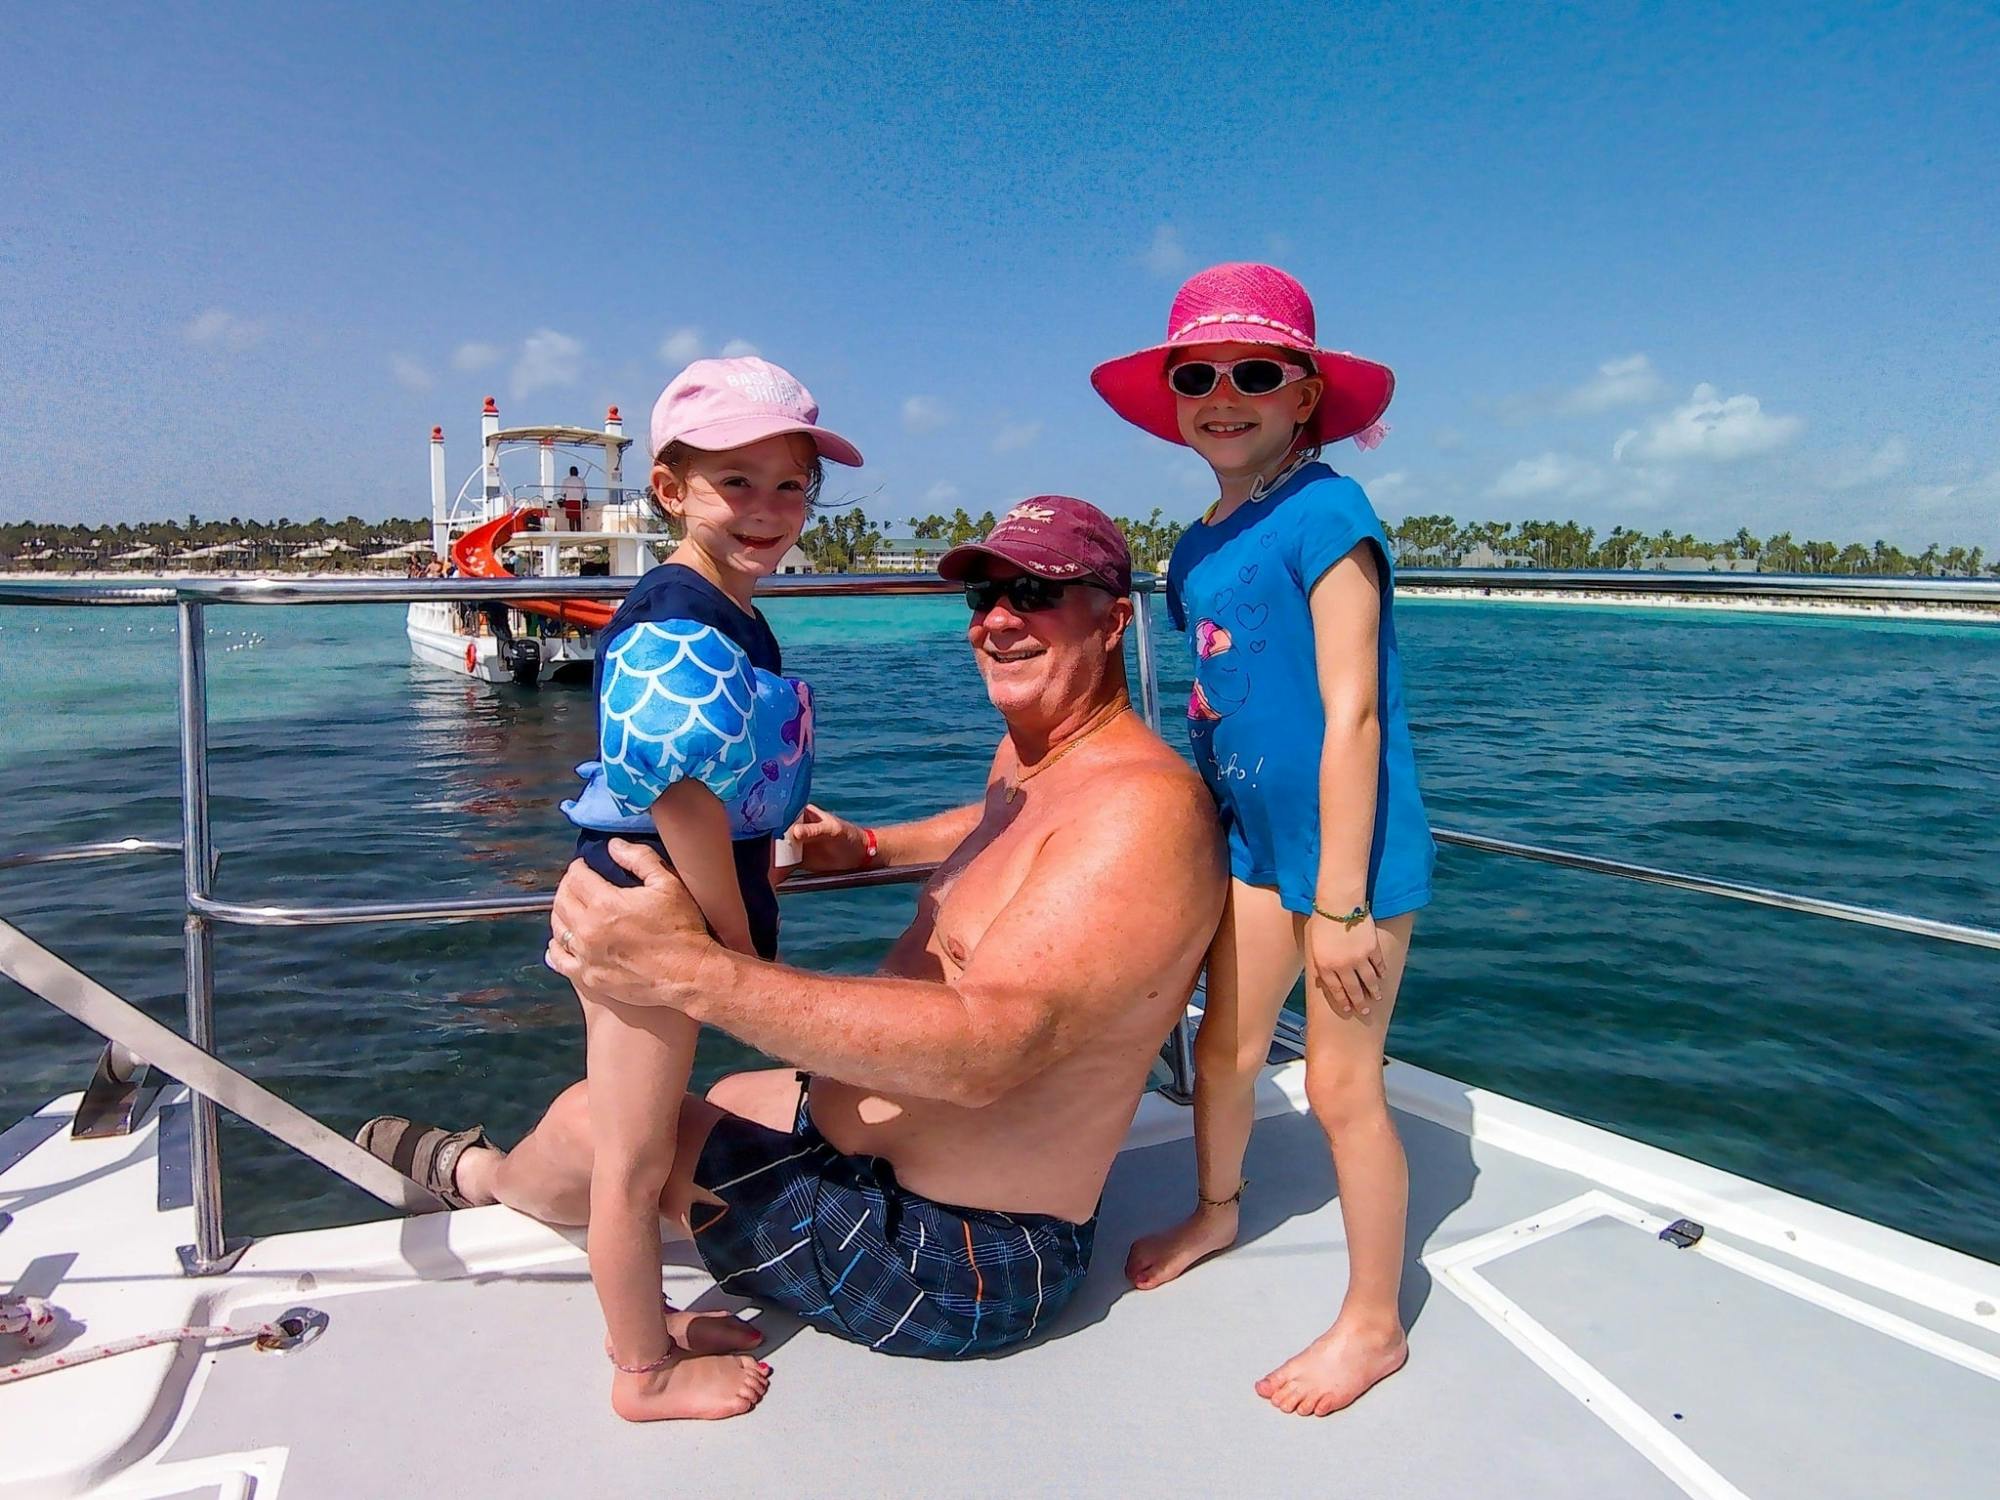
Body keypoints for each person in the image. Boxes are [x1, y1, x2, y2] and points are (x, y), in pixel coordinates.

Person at [358, 499, 1224, 1414]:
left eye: (1037, 593)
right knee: (715, 1103)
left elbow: (990, 1051)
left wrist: (691, 969)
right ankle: (517, 1178)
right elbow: (1012, 830)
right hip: (898, 1173)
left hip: (953, 1257)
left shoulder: (1143, 814)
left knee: (598, 1126)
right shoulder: (1039, 765)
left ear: (1114, 614)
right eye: (982, 593)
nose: (998, 618)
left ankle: (480, 1179)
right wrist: (876, 846)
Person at [366, 356, 859, 1422]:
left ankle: (652, 1318)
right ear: (672, 490)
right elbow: (680, 790)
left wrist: (778, 830)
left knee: (635, 1146)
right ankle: (642, 1369)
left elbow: (711, 777)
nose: (767, 510)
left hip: (662, 899)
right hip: (657, 914)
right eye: (736, 483)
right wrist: (732, 956)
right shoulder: (681, 615)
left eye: (789, 486)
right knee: (633, 1165)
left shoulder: (718, 603)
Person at [1091, 263, 1436, 1417]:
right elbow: (1218, 698)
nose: (1221, 393)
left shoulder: (1329, 512)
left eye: (1254, 372)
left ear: (1304, 394)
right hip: (1252, 848)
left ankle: (1373, 1324)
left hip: (1350, 860)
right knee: (1226, 1049)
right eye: (1198, 374)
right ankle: (1217, 1207)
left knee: (1340, 1088)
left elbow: (1351, 710)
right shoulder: (1194, 547)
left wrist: (1340, 904)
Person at [560, 465, 587, 530]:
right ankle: (579, 532)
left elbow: (562, 493)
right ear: (577, 472)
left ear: (570, 472)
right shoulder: (581, 481)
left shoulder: (566, 480)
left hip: (569, 501)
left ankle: (572, 532)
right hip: (578, 501)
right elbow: (585, 493)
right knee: (578, 518)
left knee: (571, 518)